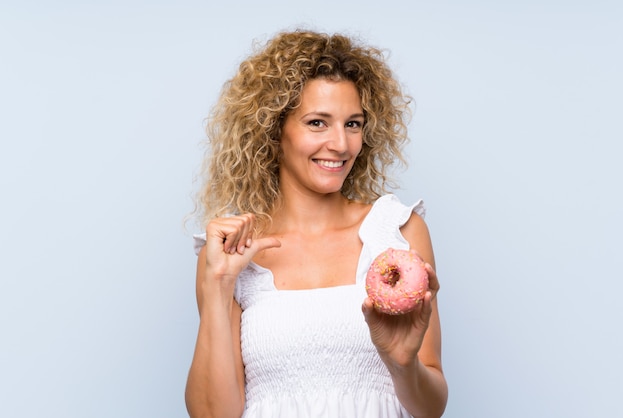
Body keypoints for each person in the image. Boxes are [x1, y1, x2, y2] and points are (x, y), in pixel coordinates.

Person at [185, 29, 448, 418]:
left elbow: (431, 408)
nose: (341, 144)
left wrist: (402, 365)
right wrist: (218, 286)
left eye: (353, 124)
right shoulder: (231, 254)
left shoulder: (396, 233)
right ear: (275, 130)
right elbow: (213, 415)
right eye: (317, 123)